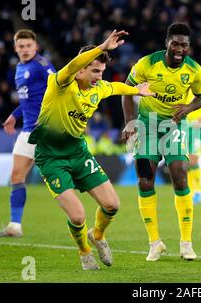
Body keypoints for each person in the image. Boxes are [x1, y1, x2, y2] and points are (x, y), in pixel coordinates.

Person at [27, 30, 153, 270]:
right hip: (51, 156)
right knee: (77, 216)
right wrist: (103, 46)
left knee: (112, 205)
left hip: (77, 151)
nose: (99, 76)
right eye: (95, 70)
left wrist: (137, 90)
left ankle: (98, 235)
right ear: (81, 70)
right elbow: (74, 64)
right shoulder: (60, 84)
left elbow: (115, 88)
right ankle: (84, 252)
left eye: (101, 72)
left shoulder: (98, 88)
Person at [121, 22, 201, 262]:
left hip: (173, 127)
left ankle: (186, 243)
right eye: (175, 43)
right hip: (146, 125)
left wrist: (189, 107)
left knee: (180, 173)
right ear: (167, 43)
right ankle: (154, 243)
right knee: (145, 179)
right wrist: (130, 121)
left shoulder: (195, 71)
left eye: (184, 45)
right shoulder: (147, 63)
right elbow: (127, 90)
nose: (180, 49)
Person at [0, 29, 55, 238]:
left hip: (45, 131)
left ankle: (88, 220)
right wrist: (14, 115)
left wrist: (46, 116)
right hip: (27, 130)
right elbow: (28, 99)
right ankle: (15, 226)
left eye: (29, 46)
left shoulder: (42, 66)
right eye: (21, 47)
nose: (25, 50)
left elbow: (59, 90)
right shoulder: (19, 68)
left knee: (61, 181)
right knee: (16, 175)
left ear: (36, 46)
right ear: (15, 48)